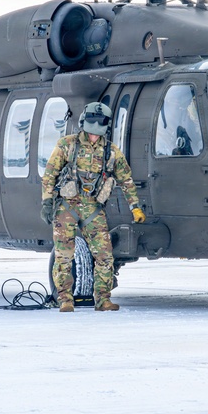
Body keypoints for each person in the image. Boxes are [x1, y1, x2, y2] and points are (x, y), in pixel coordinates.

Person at [41, 102, 146, 312]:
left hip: (92, 208)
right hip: (67, 206)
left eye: (98, 131)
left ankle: (103, 300)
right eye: (90, 131)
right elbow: (50, 175)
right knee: (64, 255)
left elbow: (126, 180)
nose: (93, 136)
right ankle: (65, 299)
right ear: (83, 124)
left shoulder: (111, 152)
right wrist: (47, 201)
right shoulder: (67, 145)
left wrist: (135, 207)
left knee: (105, 255)